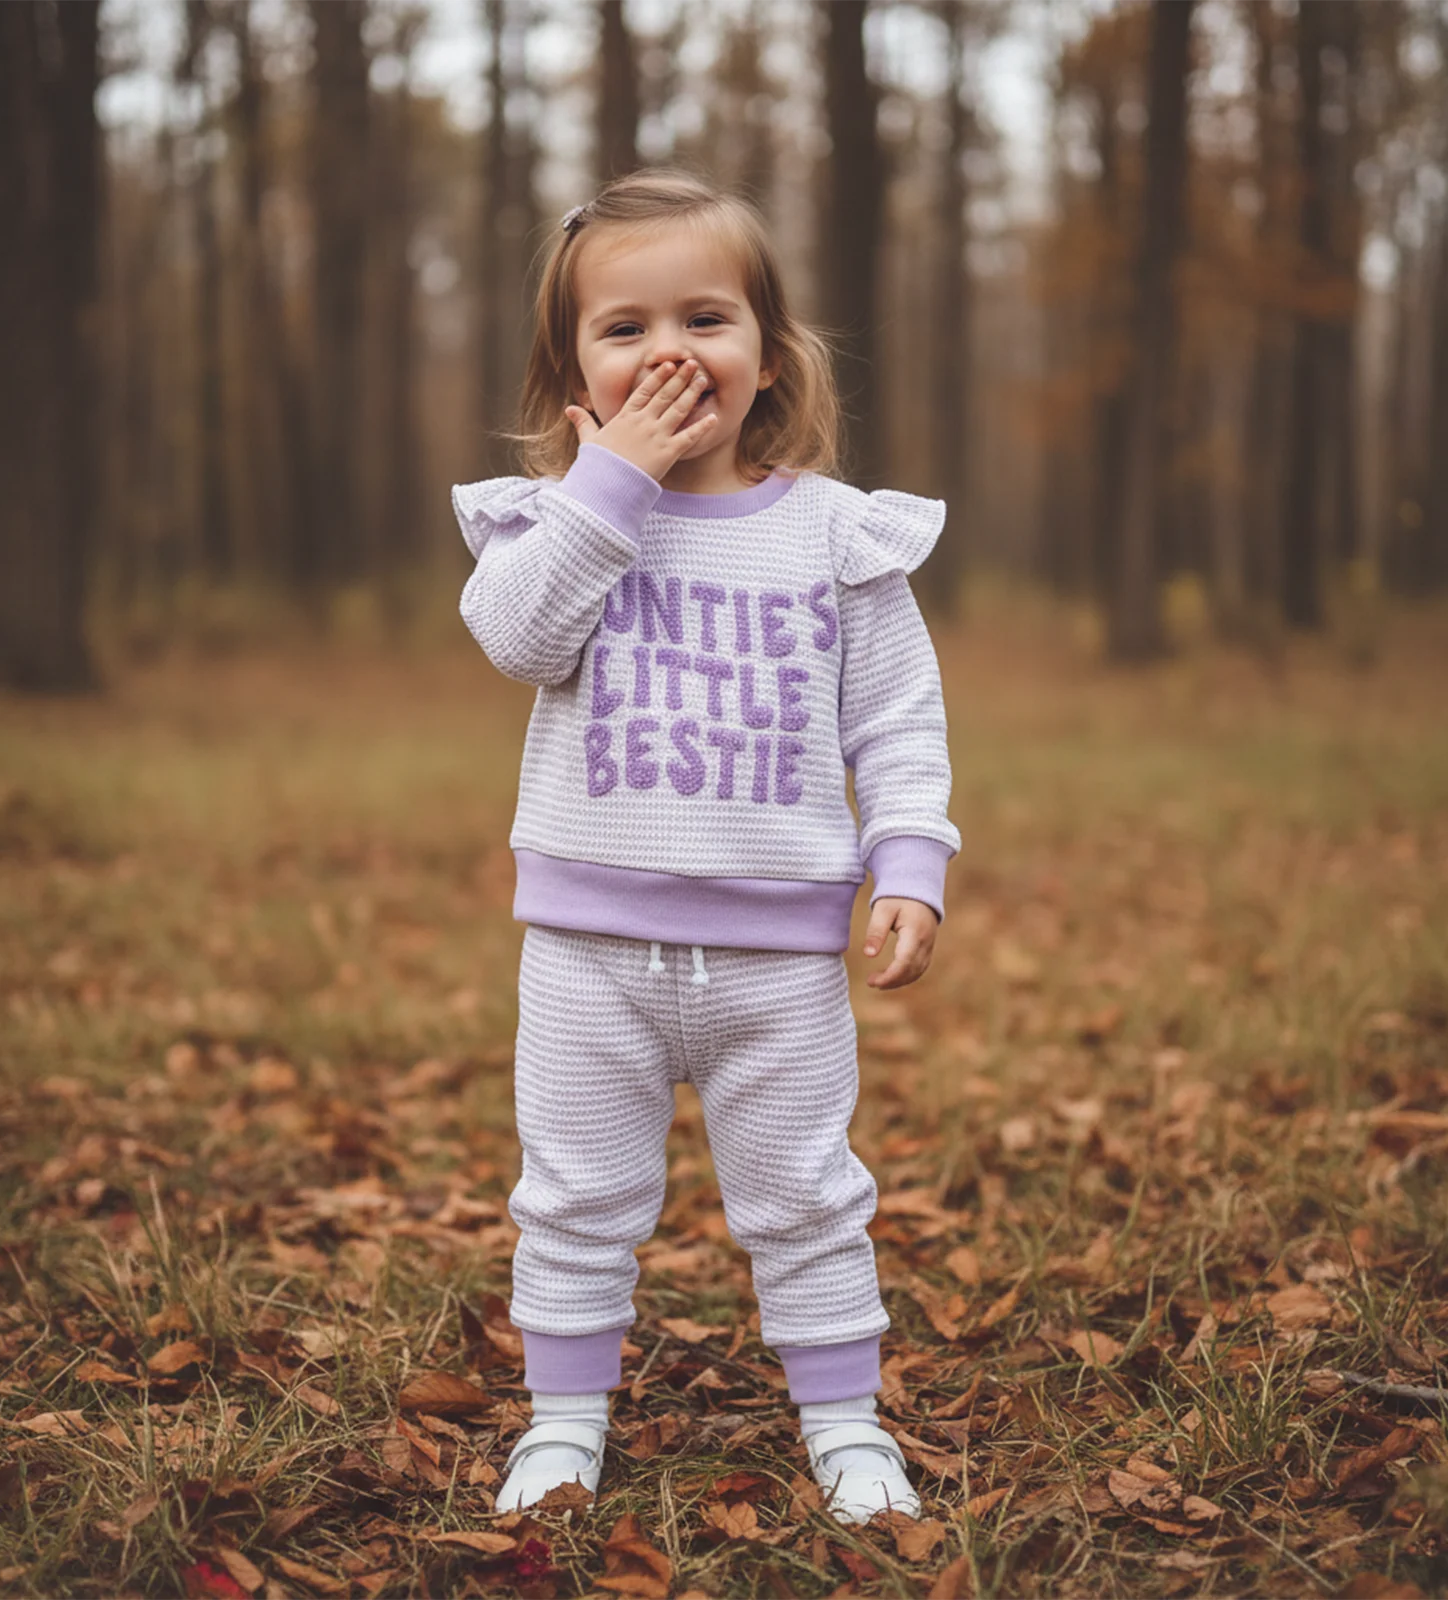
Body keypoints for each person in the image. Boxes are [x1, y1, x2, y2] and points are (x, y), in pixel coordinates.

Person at [452, 170, 961, 1527]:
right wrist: (610, 479)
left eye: (705, 317)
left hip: (777, 961)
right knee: (572, 1196)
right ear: (572, 369)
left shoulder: (834, 533)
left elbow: (899, 724)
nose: (668, 351)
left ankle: (845, 1426)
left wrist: (909, 860)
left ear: (770, 353)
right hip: (586, 951)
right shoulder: (548, 523)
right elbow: (519, 640)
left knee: (805, 1194)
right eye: (623, 330)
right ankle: (564, 1423)